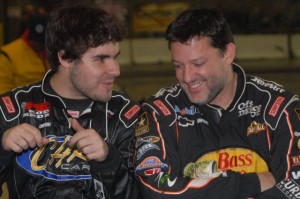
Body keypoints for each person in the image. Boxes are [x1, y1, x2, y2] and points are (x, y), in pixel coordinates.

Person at [134, 7, 300, 199]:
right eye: (178, 66)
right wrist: (251, 182)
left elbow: (294, 187)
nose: (187, 77)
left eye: (198, 64)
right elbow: (156, 190)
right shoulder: (159, 112)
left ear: (228, 54)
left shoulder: (280, 108)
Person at [0, 3, 141, 199]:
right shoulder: (12, 108)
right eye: (101, 59)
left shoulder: (127, 115)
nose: (115, 70)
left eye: (115, 57)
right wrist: (3, 148)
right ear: (65, 57)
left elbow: (141, 194)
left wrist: (109, 161)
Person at [0, 13, 50, 94]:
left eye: (41, 42)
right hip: (20, 103)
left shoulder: (52, 52)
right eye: (34, 40)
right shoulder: (8, 55)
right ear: (27, 33)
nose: (38, 44)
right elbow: (2, 90)